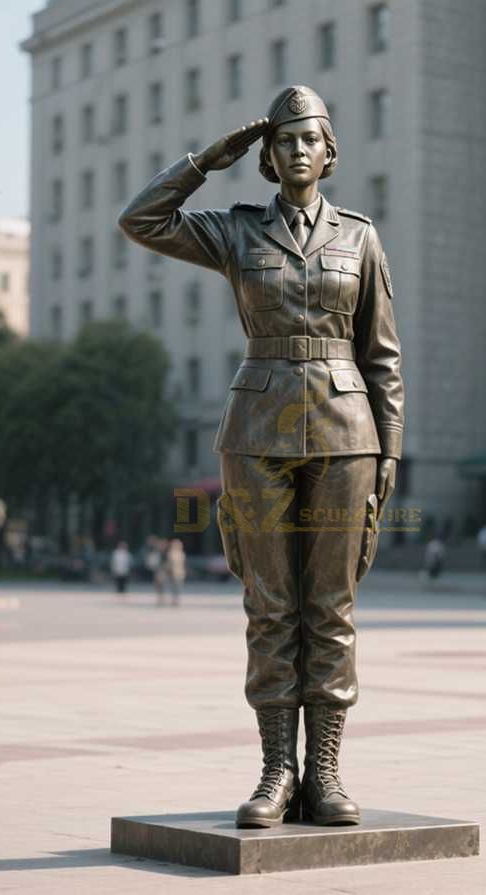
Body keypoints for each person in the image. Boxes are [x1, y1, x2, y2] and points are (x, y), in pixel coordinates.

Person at [120, 85, 404, 829]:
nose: (298, 150)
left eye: (310, 139)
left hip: (346, 433)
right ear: (268, 158)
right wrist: (207, 160)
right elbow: (140, 220)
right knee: (269, 606)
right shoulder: (235, 231)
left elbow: (383, 358)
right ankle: (277, 770)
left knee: (331, 610)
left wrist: (390, 454)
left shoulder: (360, 237)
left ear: (330, 153)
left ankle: (327, 772)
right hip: (256, 433)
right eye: (284, 142)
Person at [164, 538, 186, 606]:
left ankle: (176, 600)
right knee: (174, 587)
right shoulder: (170, 553)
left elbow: (183, 564)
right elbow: (168, 564)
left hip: (179, 573)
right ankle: (174, 600)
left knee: (178, 587)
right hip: (172, 573)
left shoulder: (181, 553)